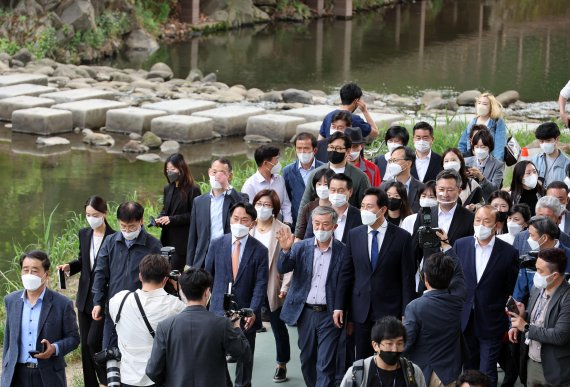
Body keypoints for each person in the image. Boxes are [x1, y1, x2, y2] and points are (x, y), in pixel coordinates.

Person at [335, 188, 416, 360]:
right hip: (361, 308)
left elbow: (407, 277)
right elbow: (346, 273)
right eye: (363, 206)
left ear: (383, 210)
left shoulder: (402, 237)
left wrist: (406, 311)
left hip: (390, 308)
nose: (365, 210)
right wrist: (340, 305)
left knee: (388, 357)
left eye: (370, 207)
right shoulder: (354, 235)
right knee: (362, 359)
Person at [276, 206, 347, 387]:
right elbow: (283, 268)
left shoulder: (344, 251)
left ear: (334, 227)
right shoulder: (300, 247)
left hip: (329, 314)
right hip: (305, 312)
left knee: (325, 363)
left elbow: (346, 283)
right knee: (307, 359)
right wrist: (285, 250)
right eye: (317, 224)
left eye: (325, 225)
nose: (320, 229)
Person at [145, 268, 252, 387]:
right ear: (207, 292)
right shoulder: (221, 324)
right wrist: (237, 327)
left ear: (184, 293)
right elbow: (244, 354)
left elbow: (153, 371)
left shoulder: (165, 326)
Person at [452, 205, 519, 387]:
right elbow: (455, 281)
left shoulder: (508, 252)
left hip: (492, 321)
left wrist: (510, 321)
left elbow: (511, 289)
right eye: (477, 221)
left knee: (487, 372)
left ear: (496, 225)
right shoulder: (461, 245)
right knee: (468, 370)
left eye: (486, 221)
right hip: (466, 320)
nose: (481, 225)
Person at [205, 202, 269, 387]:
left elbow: (260, 284)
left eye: (244, 220)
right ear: (230, 219)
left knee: (245, 355)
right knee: (216, 355)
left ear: (252, 223)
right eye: (235, 219)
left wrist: (253, 310)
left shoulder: (260, 250)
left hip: (245, 313)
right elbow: (207, 276)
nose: (239, 223)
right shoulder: (217, 244)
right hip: (218, 311)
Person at [57, 196, 115, 387]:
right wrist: (69, 267)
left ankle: (106, 380)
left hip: (103, 298)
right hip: (84, 297)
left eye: (95, 215)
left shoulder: (114, 238)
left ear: (104, 214)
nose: (91, 218)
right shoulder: (84, 234)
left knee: (93, 342)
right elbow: (83, 261)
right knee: (85, 347)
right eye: (88, 215)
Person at [2, 250, 80, 387]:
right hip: (16, 374)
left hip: (48, 375)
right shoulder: (11, 300)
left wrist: (54, 348)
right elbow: (8, 341)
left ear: (46, 275)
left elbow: (73, 338)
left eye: (35, 271)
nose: (29, 275)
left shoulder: (62, 304)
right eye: (25, 270)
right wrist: (5, 374)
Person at [92, 201, 162, 349]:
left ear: (141, 221)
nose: (127, 231)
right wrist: (97, 302)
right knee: (109, 352)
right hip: (114, 307)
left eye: (132, 227)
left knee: (134, 352)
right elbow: (100, 273)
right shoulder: (110, 242)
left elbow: (160, 279)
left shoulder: (153, 245)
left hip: (141, 310)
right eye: (123, 226)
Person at [109, 254, 185, 387]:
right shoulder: (174, 306)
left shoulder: (118, 300)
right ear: (165, 279)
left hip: (127, 377)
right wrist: (180, 287)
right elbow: (193, 314)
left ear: (140, 276)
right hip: (157, 378)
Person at [508, 248, 570, 386]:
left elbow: (560, 335)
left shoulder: (567, 297)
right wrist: (523, 314)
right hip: (532, 362)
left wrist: (525, 326)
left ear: (554, 276)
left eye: (540, 271)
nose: (536, 274)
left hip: (556, 369)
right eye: (536, 269)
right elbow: (539, 318)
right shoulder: (537, 288)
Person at [403, 252, 466, 387]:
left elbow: (406, 344)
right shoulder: (457, 300)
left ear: (425, 277)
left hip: (425, 375)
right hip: (451, 374)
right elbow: (459, 274)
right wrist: (447, 246)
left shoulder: (414, 307)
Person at [250, 190, 292, 383]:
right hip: (250, 284)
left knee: (277, 325)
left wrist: (285, 286)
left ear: (274, 208)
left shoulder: (283, 228)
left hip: (273, 284)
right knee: (246, 322)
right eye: (259, 203)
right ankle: (243, 356)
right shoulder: (247, 227)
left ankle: (281, 363)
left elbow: (289, 259)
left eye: (267, 205)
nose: (262, 208)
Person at [186, 158, 248, 268]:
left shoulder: (237, 198)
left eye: (222, 173)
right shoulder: (199, 201)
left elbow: (246, 209)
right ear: (209, 172)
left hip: (228, 254)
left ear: (230, 175)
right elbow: (193, 235)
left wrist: (227, 187)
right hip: (203, 258)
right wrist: (189, 264)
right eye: (214, 172)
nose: (217, 176)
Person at [340, 316, 427, 387]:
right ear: (375, 345)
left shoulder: (413, 372)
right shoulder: (357, 373)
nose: (395, 349)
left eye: (399, 343)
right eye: (389, 344)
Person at [411, 170, 475, 264]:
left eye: (450, 190)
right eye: (441, 189)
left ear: (459, 191)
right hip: (429, 275)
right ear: (436, 189)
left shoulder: (469, 218)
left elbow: (470, 252)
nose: (445, 194)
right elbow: (415, 249)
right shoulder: (425, 213)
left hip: (456, 274)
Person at [298, 131, 371, 212]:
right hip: (321, 222)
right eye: (331, 147)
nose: (334, 151)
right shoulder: (316, 173)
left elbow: (367, 205)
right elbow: (305, 203)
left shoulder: (360, 177)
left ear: (347, 151)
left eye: (338, 148)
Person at [153, 153, 201, 271]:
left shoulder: (193, 189)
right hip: (166, 239)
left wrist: (172, 219)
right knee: (164, 271)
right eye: (167, 170)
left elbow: (194, 216)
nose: (169, 172)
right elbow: (165, 210)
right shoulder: (168, 188)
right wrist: (159, 219)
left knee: (175, 272)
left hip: (182, 242)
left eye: (173, 169)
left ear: (181, 168)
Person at [512, 215, 570, 305]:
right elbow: (519, 293)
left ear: (544, 238)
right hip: (531, 314)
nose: (528, 239)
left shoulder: (568, 257)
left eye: (531, 235)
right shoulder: (528, 258)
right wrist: (515, 313)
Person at [241, 145, 293, 225]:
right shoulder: (250, 185)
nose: (278, 163)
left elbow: (286, 204)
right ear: (266, 163)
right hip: (259, 228)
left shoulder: (279, 179)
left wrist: (287, 223)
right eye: (276, 160)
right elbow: (248, 212)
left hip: (280, 226)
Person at [305, 173, 363, 243]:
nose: (336, 194)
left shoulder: (359, 216)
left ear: (350, 192)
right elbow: (308, 241)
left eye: (341, 191)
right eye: (333, 190)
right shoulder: (318, 214)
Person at [283, 133, 324, 228]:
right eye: (299, 148)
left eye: (306, 148)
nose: (302, 152)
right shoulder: (288, 171)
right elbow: (287, 198)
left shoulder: (324, 169)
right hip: (296, 222)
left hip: (320, 222)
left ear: (314, 150)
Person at [512, 196, 570, 262]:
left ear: (559, 219)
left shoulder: (567, 242)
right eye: (540, 216)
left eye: (547, 218)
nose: (542, 222)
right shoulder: (520, 238)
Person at [458, 92, 507, 160]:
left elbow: (500, 146)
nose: (481, 106)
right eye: (479, 103)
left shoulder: (497, 122)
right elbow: (462, 144)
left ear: (491, 106)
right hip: (473, 161)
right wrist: (462, 160)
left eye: (485, 104)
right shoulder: (472, 122)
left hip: (491, 161)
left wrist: (496, 164)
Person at [464, 128, 505, 203]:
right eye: (476, 147)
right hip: (468, 201)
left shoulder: (498, 165)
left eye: (483, 147)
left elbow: (495, 189)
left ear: (489, 148)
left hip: (487, 203)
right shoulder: (466, 161)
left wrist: (481, 178)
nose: (479, 150)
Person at [380, 146, 424, 212]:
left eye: (395, 160)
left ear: (408, 163)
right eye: (390, 161)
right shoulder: (383, 187)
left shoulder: (422, 188)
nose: (392, 164)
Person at [294, 168, 334, 241]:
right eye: (319, 184)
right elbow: (300, 234)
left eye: (326, 184)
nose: (322, 187)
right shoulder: (308, 207)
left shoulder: (337, 208)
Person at [531, 122, 570, 186]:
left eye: (548, 140)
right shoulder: (534, 161)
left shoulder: (567, 164)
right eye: (542, 141)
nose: (544, 144)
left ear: (557, 139)